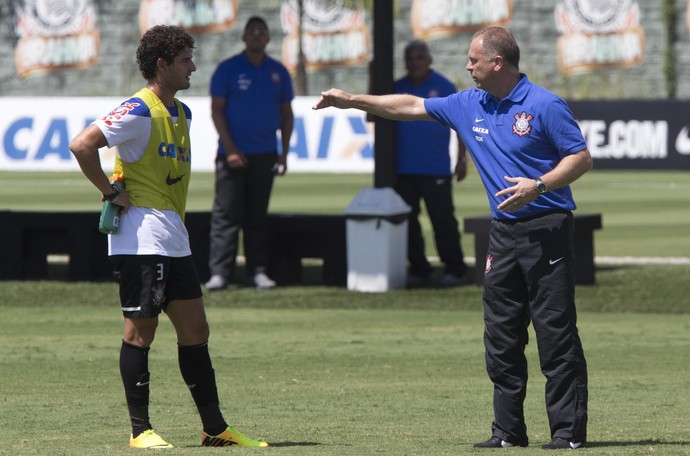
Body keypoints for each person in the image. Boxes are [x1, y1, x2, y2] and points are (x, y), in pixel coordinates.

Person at [313, 26, 591, 450]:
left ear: (497, 63)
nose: (467, 66)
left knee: (555, 334)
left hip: (547, 229)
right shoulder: (468, 103)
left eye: (473, 60)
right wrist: (352, 100)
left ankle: (567, 434)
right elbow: (408, 105)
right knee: (501, 336)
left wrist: (539, 185)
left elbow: (581, 157)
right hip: (502, 235)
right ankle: (508, 434)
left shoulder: (544, 104)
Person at [69, 25, 268, 449]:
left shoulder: (183, 113)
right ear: (161, 65)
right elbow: (82, 144)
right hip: (141, 237)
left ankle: (214, 430)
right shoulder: (138, 110)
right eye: (185, 60)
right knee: (140, 333)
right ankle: (140, 431)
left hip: (173, 235)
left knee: (196, 330)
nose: (193, 66)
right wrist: (109, 192)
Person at [205, 15, 295, 291]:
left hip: (265, 153)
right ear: (244, 37)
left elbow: (287, 114)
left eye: (262, 32)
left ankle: (257, 272)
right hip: (231, 154)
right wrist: (230, 148)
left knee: (257, 217)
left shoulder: (278, 71)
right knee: (226, 216)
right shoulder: (228, 69)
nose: (256, 36)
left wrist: (283, 153)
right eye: (252, 32)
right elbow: (216, 110)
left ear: (268, 38)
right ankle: (220, 273)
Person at [393, 40, 468, 287]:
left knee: (443, 221)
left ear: (429, 60)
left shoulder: (444, 86)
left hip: (435, 167)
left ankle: (455, 269)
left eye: (419, 57)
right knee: (409, 223)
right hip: (403, 168)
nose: (415, 62)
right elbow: (374, 118)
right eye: (410, 58)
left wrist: (461, 159)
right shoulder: (397, 87)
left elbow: (461, 125)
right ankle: (419, 269)